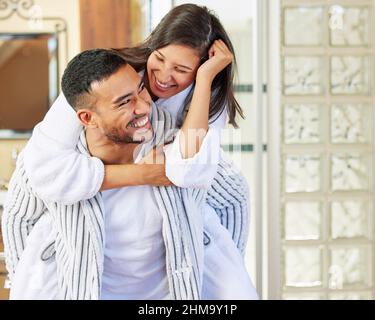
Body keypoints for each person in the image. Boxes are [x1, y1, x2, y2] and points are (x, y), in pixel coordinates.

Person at [14, 4, 255, 298]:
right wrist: (142, 174)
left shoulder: (206, 99)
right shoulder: (100, 79)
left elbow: (194, 173)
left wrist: (222, 264)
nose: (163, 77)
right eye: (160, 59)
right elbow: (41, 175)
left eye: (181, 69)